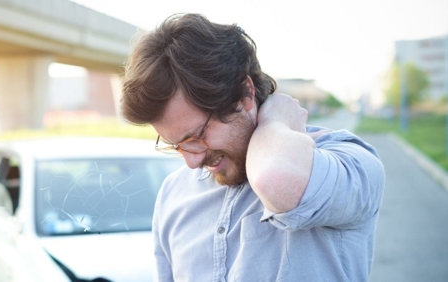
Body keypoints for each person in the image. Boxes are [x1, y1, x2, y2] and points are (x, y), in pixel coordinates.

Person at [120, 13, 385, 282]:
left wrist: (274, 121)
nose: (191, 162)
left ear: (245, 94)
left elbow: (279, 182)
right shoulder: (173, 192)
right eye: (176, 145)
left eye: (196, 136)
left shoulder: (348, 161)